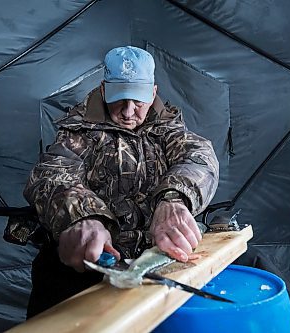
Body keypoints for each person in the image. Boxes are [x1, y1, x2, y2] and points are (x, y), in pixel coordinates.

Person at [23, 46, 219, 318]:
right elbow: (53, 174)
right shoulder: (78, 132)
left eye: (138, 101)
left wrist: (174, 198)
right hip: (97, 265)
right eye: (120, 99)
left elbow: (198, 157)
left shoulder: (168, 128)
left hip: (159, 260)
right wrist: (82, 216)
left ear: (153, 93)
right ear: (104, 91)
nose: (128, 112)